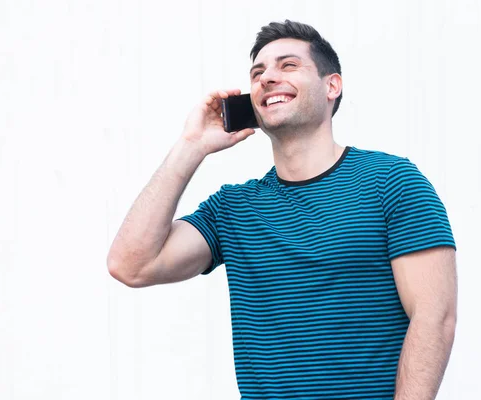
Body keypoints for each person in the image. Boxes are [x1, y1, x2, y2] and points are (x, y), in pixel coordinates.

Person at [107, 20, 457, 400]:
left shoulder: (391, 182)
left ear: (332, 86)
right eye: (258, 72)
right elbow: (131, 264)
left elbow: (434, 318)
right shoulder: (233, 209)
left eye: (288, 66)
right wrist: (191, 145)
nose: (268, 78)